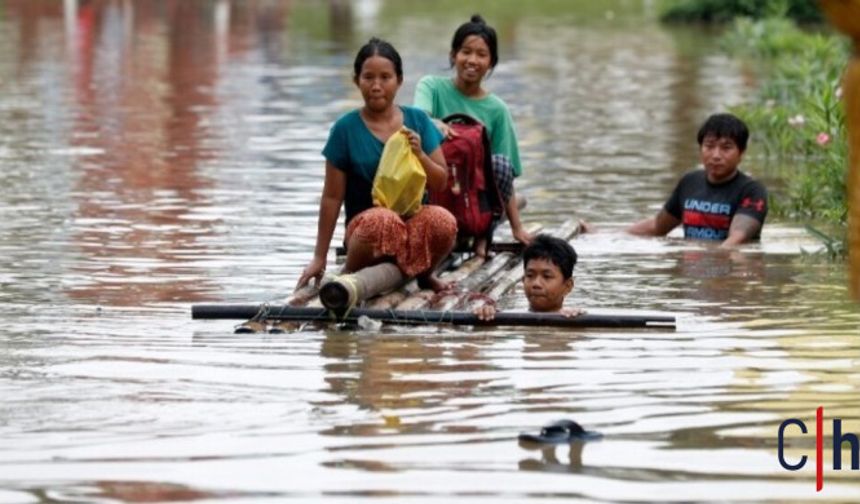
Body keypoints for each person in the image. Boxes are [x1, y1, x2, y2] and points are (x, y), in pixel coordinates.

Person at [297, 38, 457, 292]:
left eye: (385, 77)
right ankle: (351, 274)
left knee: (443, 221)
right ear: (356, 81)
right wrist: (319, 257)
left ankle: (424, 275)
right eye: (368, 77)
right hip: (367, 233)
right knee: (384, 221)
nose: (376, 86)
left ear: (399, 81)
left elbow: (441, 180)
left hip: (412, 227)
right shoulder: (345, 129)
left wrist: (420, 155)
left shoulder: (418, 121)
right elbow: (331, 197)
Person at [413, 14, 532, 254]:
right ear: (453, 55)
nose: (472, 60)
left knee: (499, 164)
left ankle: (481, 235)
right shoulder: (431, 87)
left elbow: (505, 176)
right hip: (434, 191)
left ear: (491, 62)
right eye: (466, 52)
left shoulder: (497, 110)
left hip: (474, 204)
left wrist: (517, 227)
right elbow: (417, 120)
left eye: (481, 54)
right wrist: (433, 123)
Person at [626, 113, 768, 247]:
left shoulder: (752, 191)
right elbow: (657, 227)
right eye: (709, 146)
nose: (716, 155)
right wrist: (617, 236)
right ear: (700, 148)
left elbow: (736, 240)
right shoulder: (689, 182)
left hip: (730, 267)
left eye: (726, 148)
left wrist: (711, 260)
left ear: (741, 152)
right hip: (692, 266)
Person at [474, 234, 584, 320]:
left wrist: (577, 320)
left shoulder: (576, 319)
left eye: (547, 276)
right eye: (530, 275)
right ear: (523, 280)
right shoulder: (504, 318)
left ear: (568, 286)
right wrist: (484, 316)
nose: (536, 284)